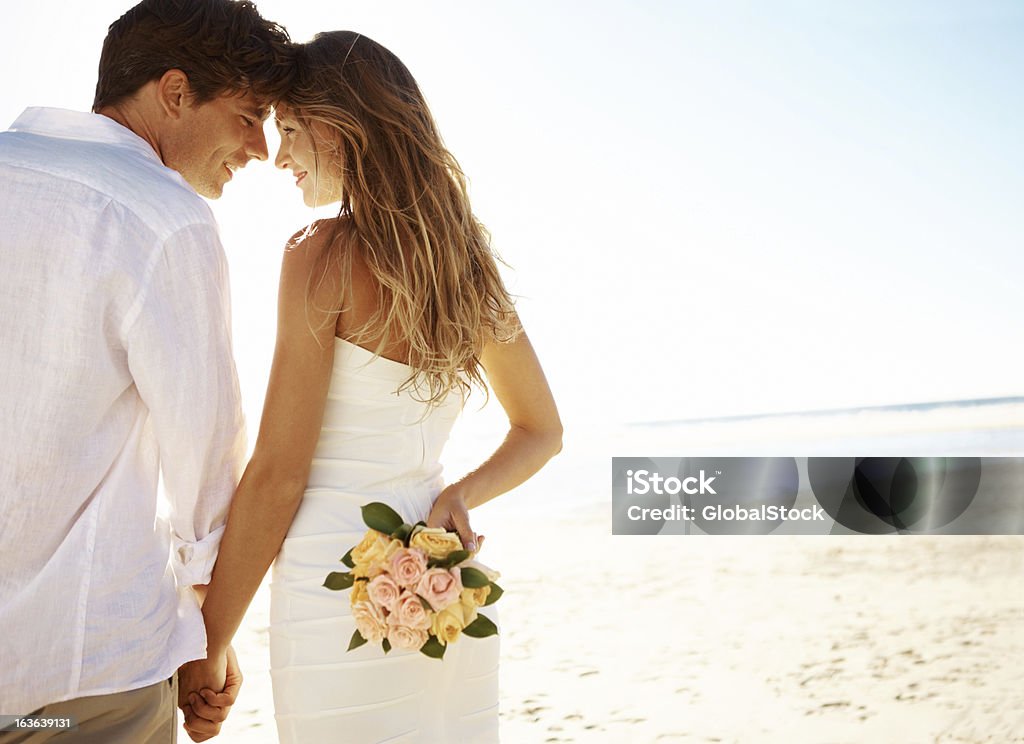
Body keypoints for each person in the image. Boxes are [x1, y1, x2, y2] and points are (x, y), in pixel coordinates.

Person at [179, 30, 562, 744]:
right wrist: (458, 496)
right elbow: (543, 430)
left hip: (339, 594)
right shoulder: (467, 269)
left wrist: (208, 644)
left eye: (291, 129)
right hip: (450, 591)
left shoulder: (318, 255)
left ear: (345, 126)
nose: (281, 156)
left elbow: (278, 476)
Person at [0, 1, 292, 741]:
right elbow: (209, 463)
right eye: (250, 114)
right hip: (79, 676)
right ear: (174, 92)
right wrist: (207, 640)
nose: (260, 146)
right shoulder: (162, 216)